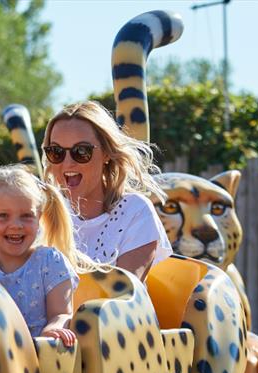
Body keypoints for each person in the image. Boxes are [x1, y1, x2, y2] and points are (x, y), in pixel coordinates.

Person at [0, 165, 101, 346]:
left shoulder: (49, 262)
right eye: (3, 216)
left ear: (39, 218)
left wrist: (54, 327)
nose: (16, 225)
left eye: (26, 216)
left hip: (40, 359)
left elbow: (61, 313)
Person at [41, 101, 172, 280]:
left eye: (81, 151)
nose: (67, 162)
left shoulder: (135, 211)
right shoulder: (37, 212)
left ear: (106, 154)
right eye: (56, 151)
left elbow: (122, 294)